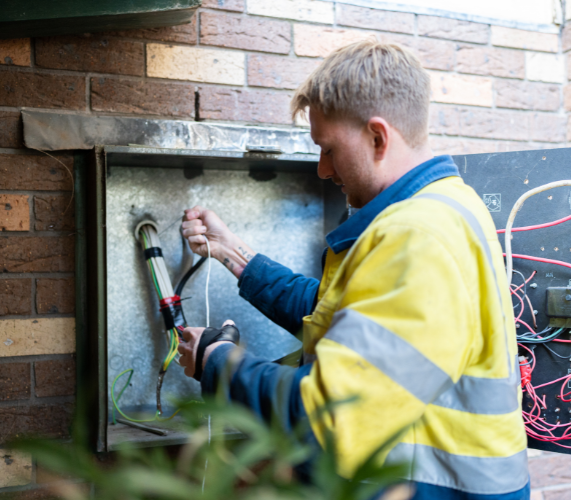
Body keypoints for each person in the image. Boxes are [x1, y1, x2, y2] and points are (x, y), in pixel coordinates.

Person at [177, 39, 529, 499]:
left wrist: (214, 361)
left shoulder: (417, 235)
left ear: (378, 137)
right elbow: (336, 310)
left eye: (328, 149)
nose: (323, 169)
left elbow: (330, 418)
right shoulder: (440, 206)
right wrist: (232, 253)